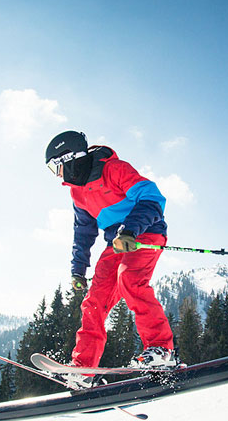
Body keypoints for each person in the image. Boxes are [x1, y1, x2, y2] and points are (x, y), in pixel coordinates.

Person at [45, 130, 177, 387]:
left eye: (57, 167)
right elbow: (83, 232)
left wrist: (130, 229)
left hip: (144, 232)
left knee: (130, 279)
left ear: (70, 158)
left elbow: (152, 197)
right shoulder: (77, 192)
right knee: (94, 301)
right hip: (114, 244)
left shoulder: (113, 169)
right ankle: (84, 369)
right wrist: (78, 269)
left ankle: (161, 350)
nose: (58, 175)